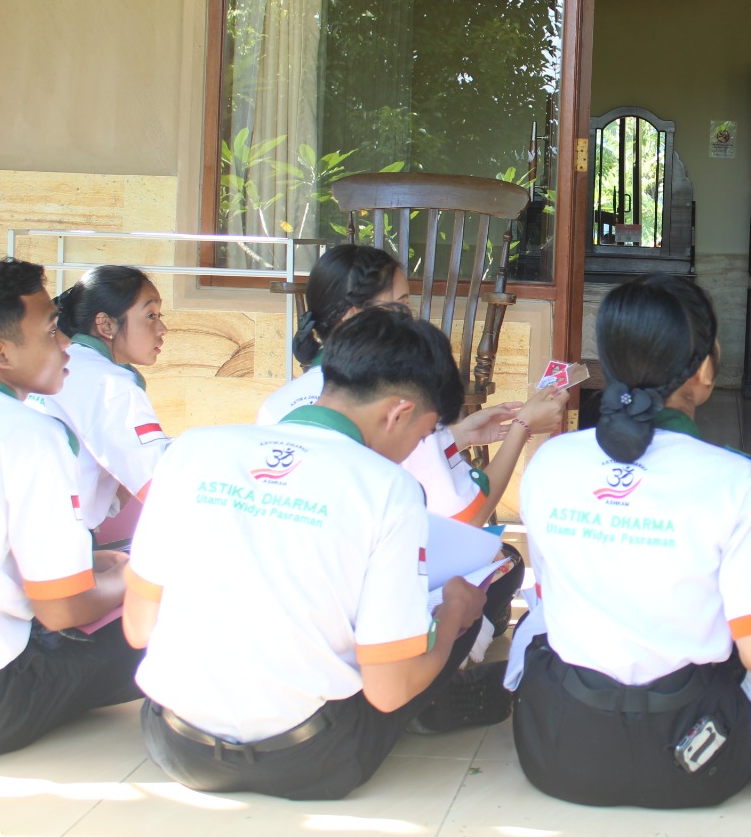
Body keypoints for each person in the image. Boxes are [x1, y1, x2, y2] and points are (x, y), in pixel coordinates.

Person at [123, 307, 504, 800]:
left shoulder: (192, 449)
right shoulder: (389, 489)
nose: (416, 448)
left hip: (175, 745)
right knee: (464, 604)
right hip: (310, 761)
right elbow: (387, 690)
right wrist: (452, 615)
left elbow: (139, 628)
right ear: (398, 413)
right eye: (424, 433)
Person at [511, 275, 751, 808]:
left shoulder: (551, 463)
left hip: (561, 754)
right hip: (696, 763)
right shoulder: (742, 483)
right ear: (704, 372)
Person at [258, 244, 564, 661]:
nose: (410, 318)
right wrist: (523, 428)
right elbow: (467, 516)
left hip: (287, 616)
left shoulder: (278, 404)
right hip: (360, 635)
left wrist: (452, 437)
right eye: (400, 307)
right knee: (504, 563)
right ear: (354, 317)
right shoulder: (398, 399)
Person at [0, 258, 142, 760]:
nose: (66, 345)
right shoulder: (30, 434)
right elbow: (61, 609)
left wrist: (88, 565)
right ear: (1, 353)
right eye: (50, 330)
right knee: (168, 609)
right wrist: (135, 576)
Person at [27, 265, 170, 531]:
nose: (162, 328)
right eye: (150, 315)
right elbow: (161, 485)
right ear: (106, 324)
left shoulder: (60, 363)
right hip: (57, 539)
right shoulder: (113, 385)